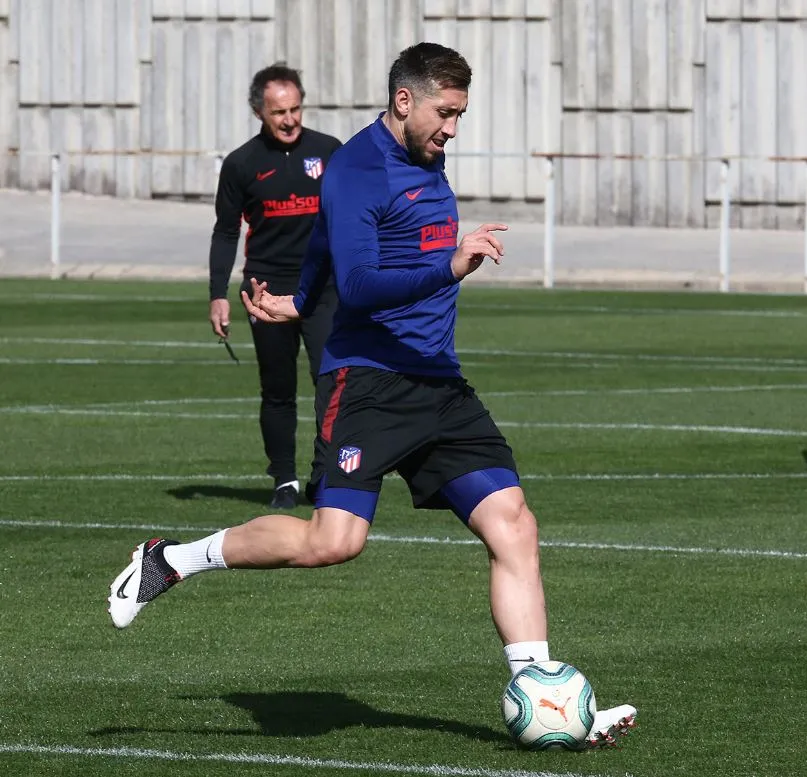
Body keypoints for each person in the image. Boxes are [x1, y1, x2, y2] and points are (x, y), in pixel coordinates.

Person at [109, 42, 637, 748]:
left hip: (437, 379)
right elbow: (357, 283)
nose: (452, 129)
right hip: (369, 382)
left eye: (459, 115)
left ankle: (544, 700)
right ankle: (171, 559)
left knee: (513, 522)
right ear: (404, 101)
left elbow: (327, 244)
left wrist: (299, 295)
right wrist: (448, 264)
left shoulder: (420, 157)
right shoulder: (358, 169)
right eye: (445, 114)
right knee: (333, 542)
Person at [209, 63, 342, 509]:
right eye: (278, 112)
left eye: (296, 109)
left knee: (331, 382)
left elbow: (354, 217)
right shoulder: (242, 164)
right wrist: (217, 295)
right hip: (265, 291)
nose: (289, 119)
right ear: (258, 112)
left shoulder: (329, 152)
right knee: (278, 389)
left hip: (322, 290)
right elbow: (226, 232)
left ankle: (324, 477)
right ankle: (283, 478)